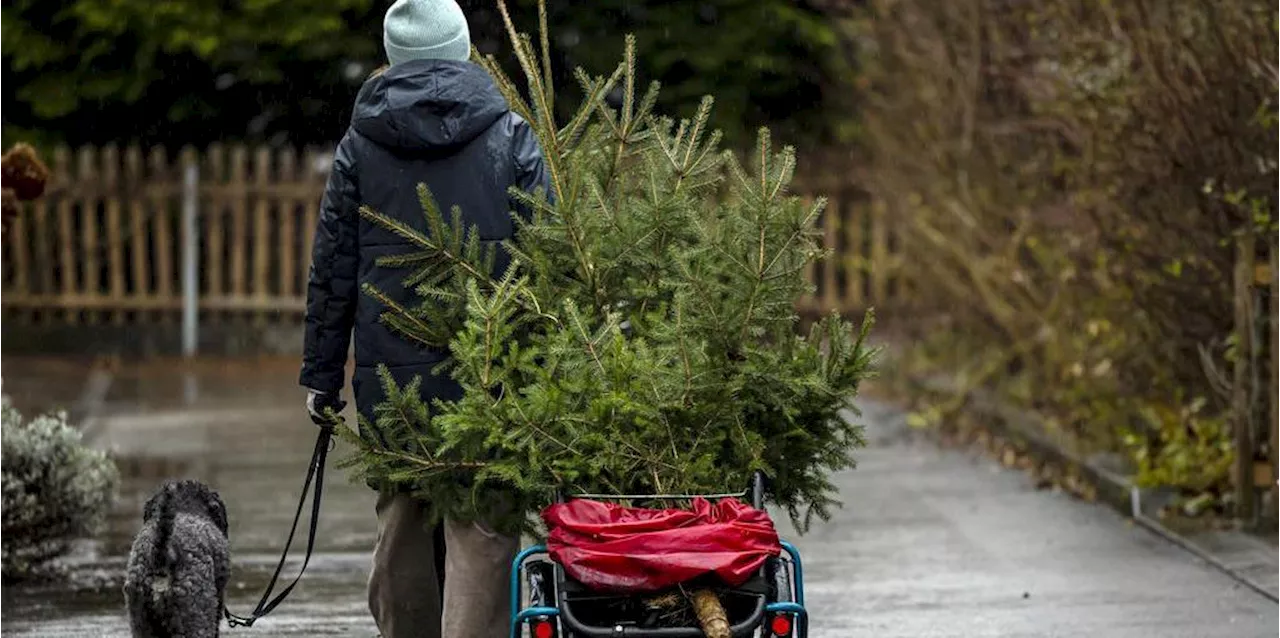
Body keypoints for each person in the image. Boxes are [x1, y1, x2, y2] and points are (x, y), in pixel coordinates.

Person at [298, 0, 551, 636]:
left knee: (404, 527)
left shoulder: (360, 146)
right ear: (463, 48)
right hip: (492, 374)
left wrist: (321, 379)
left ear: (393, 58)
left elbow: (332, 273)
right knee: (485, 533)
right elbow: (552, 264)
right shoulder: (510, 135)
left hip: (394, 386)